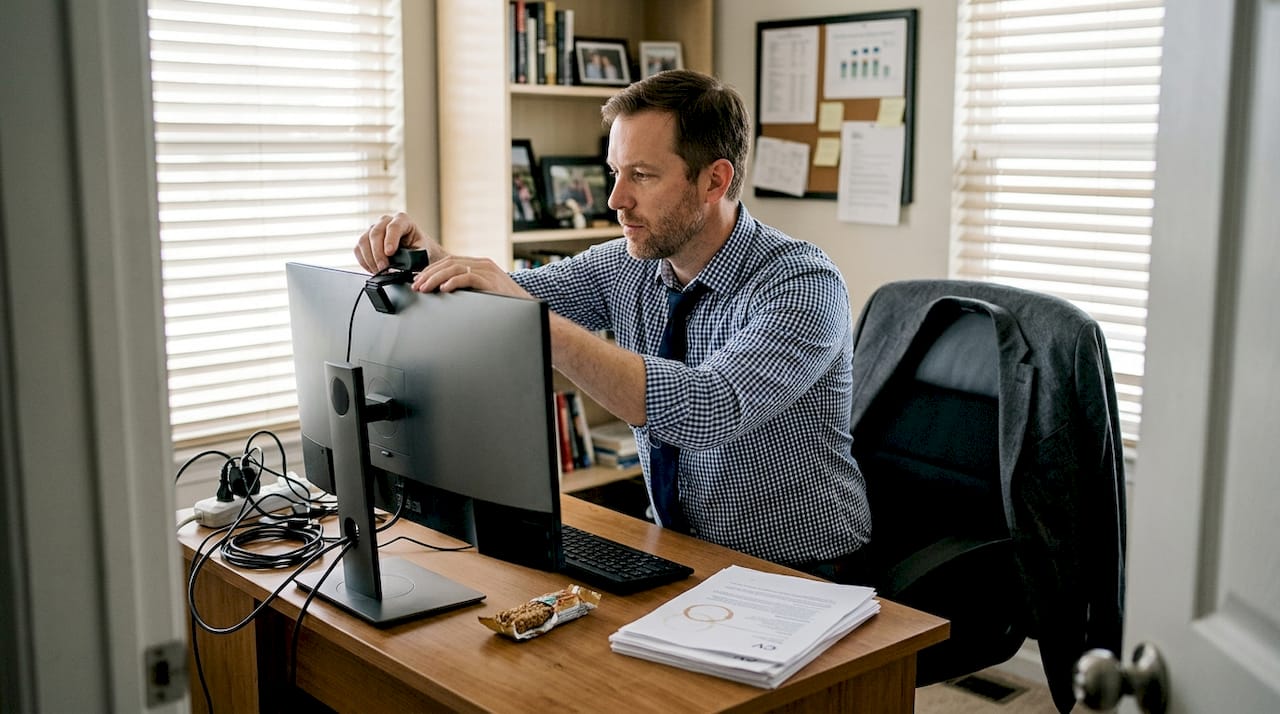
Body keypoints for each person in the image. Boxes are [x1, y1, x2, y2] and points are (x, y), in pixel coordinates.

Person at [353, 70, 871, 581]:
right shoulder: (629, 262)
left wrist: (535, 325)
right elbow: (503, 302)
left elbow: (709, 409)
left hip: (803, 572)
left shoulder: (802, 283)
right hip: (684, 555)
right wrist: (429, 259)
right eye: (614, 172)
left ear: (715, 180)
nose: (615, 199)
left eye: (642, 175)